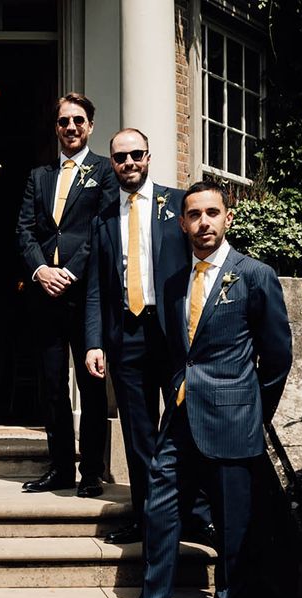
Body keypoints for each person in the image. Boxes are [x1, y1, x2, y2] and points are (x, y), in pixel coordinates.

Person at [102, 181, 292, 598]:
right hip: (180, 419)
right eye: (193, 215)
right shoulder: (173, 282)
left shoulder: (254, 275)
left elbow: (277, 359)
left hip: (233, 423)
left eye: (212, 213)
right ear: (182, 222)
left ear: (227, 217)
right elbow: (174, 351)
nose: (203, 222)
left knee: (231, 532)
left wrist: (251, 413)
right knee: (159, 513)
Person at [85, 128, 212, 545]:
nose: (129, 164)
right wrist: (94, 341)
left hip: (175, 335)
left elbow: (206, 262)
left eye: (136, 155)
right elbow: (96, 288)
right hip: (126, 335)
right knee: (139, 436)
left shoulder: (178, 204)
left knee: (186, 428)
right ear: (112, 163)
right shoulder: (103, 216)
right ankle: (145, 519)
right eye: (120, 158)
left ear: (148, 157)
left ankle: (194, 514)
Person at [16, 92, 117, 496]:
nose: (71, 128)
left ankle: (91, 470)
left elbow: (102, 229)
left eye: (78, 121)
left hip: (85, 294)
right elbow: (24, 230)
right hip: (44, 296)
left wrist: (69, 273)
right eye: (63, 122)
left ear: (90, 126)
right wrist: (41, 270)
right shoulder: (38, 177)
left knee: (92, 386)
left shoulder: (106, 171)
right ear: (55, 128)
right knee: (51, 385)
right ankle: (60, 468)